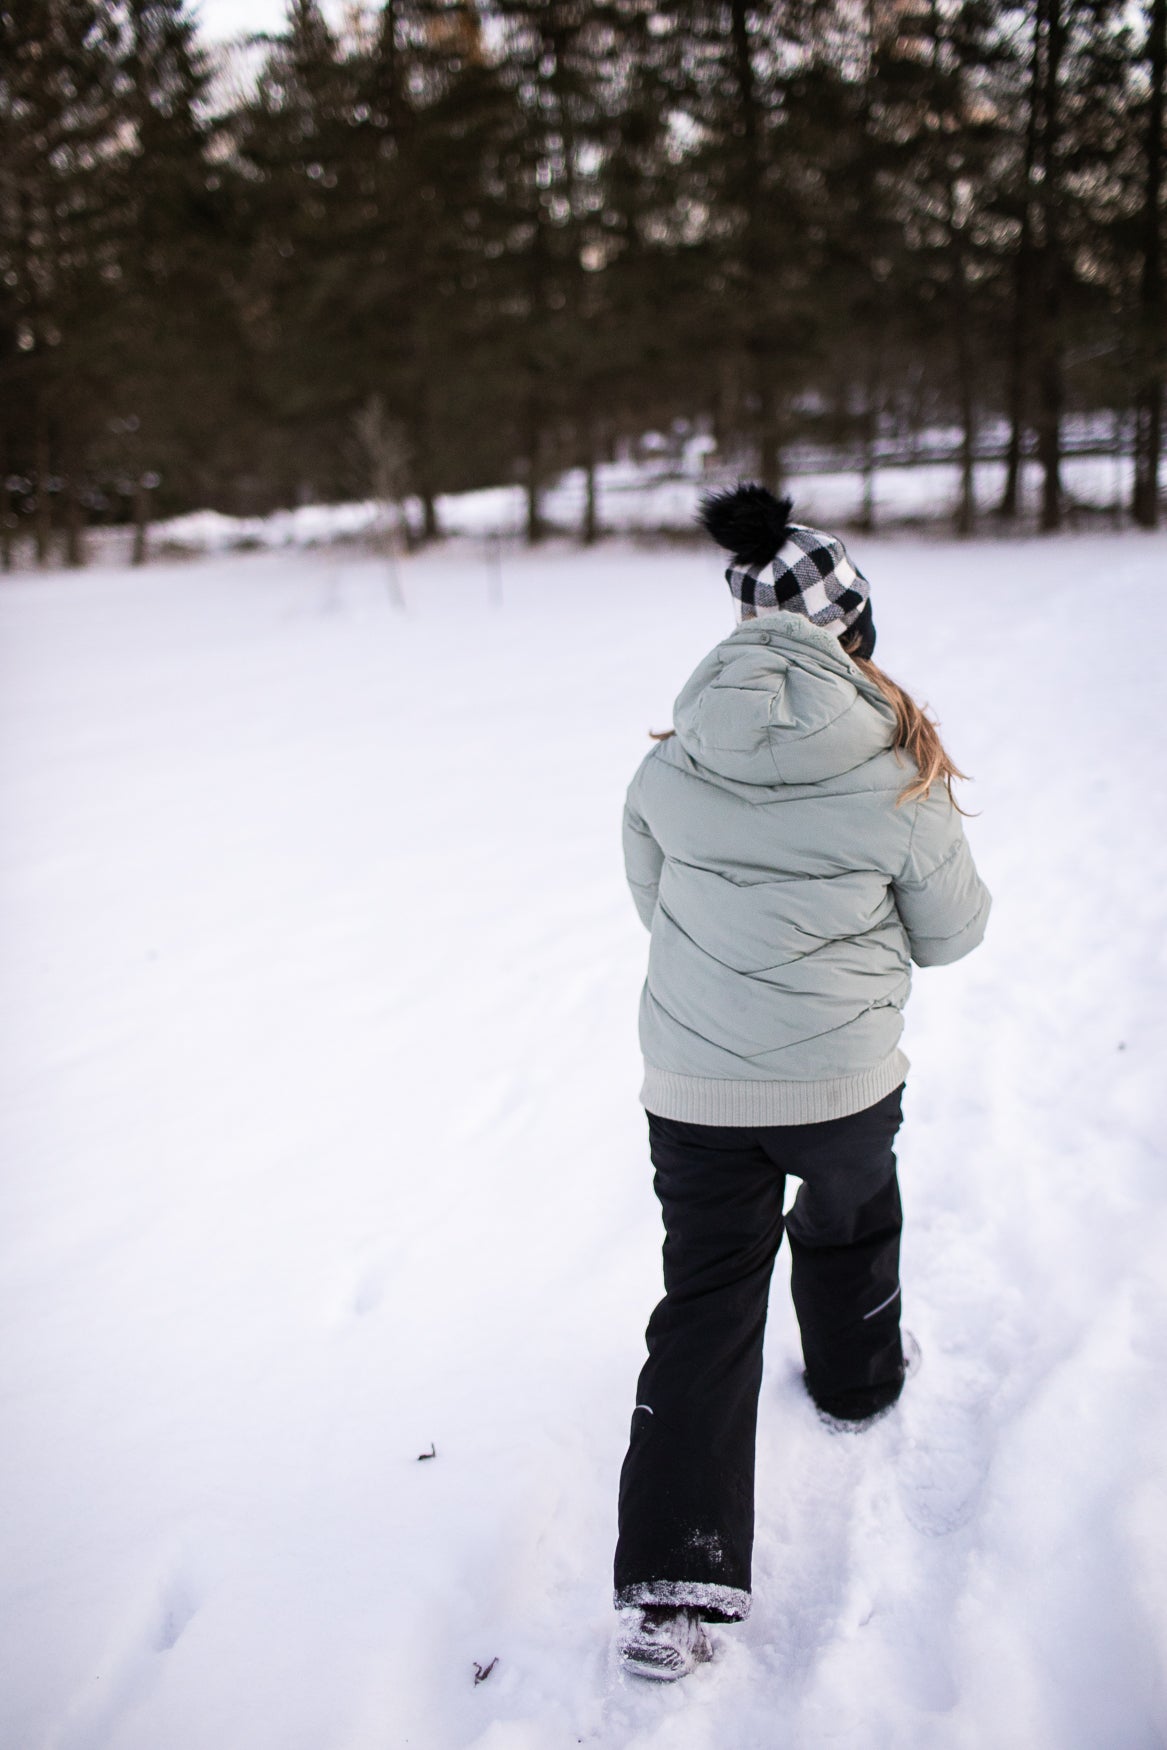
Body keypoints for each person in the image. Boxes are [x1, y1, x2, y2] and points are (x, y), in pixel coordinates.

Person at [613, 483, 991, 1682]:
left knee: (708, 1294)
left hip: (695, 1086)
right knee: (848, 1216)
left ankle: (677, 1579)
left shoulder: (669, 769)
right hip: (840, 1082)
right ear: (854, 634)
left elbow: (653, 908)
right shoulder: (897, 765)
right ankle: (858, 1376)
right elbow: (952, 933)